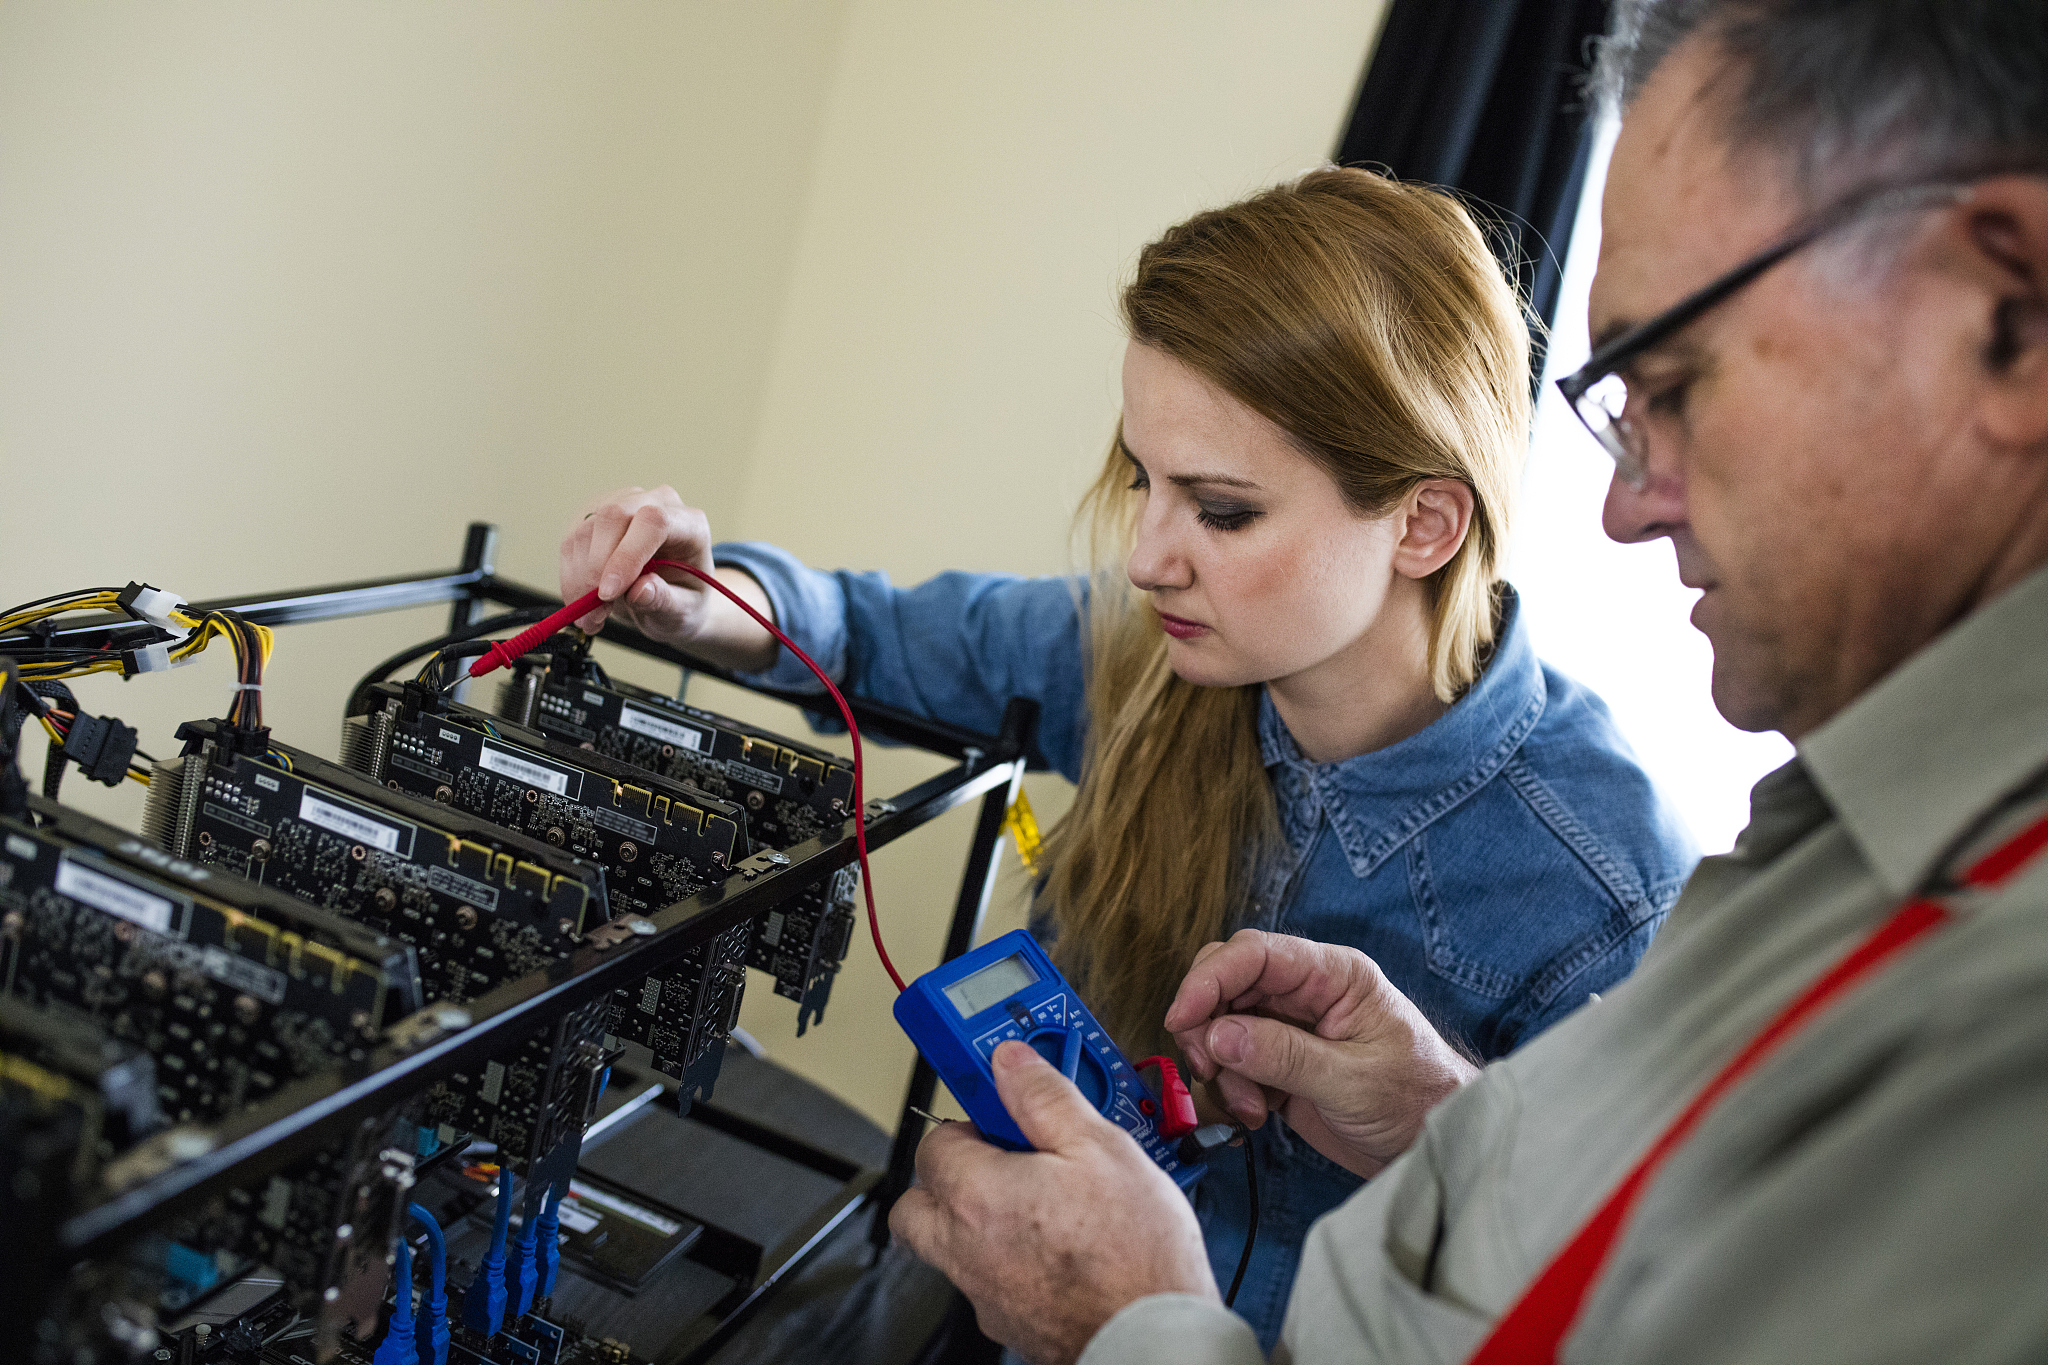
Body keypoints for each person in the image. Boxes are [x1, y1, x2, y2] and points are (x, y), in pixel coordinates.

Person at [884, 1, 2048, 1361]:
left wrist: (1137, 1329)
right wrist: (1458, 1120)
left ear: (2011, 318)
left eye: (1675, 378)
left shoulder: (1962, 1021)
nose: (1627, 510)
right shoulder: (1845, 851)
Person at [558, 168, 1695, 1350]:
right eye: (1143, 479)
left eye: (1220, 510)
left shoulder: (1602, 891)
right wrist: (701, 603)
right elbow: (854, 629)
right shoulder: (1136, 655)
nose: (1148, 555)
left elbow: (1610, 1306)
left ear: (1421, 524)